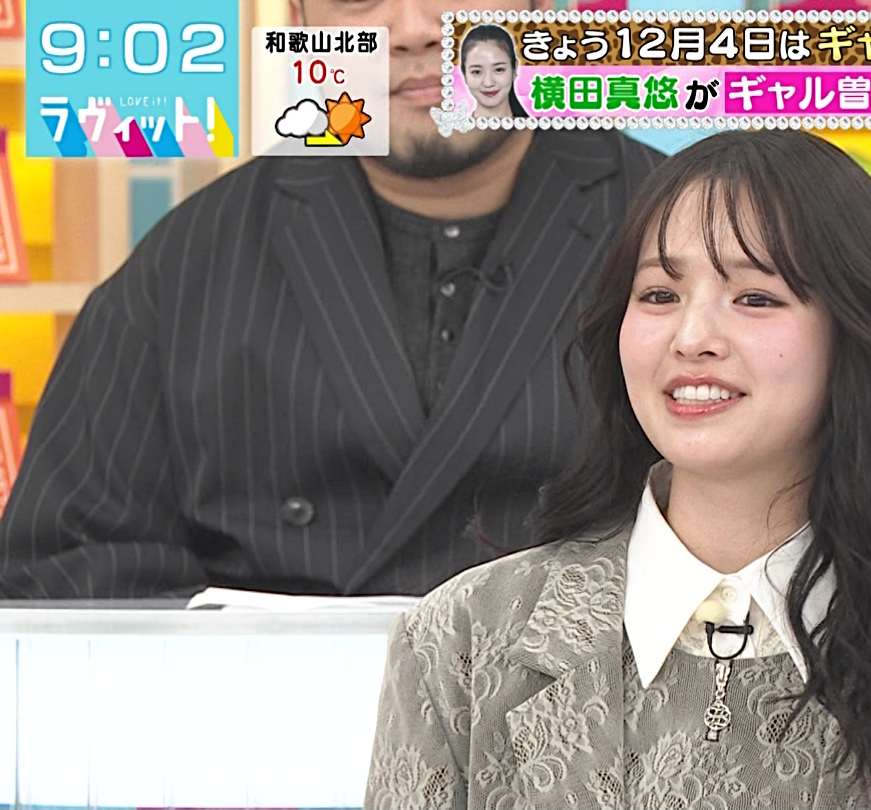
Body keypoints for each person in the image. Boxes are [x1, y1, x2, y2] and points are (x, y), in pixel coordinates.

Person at [364, 130, 871, 809]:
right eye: (658, 294)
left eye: (756, 297)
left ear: (861, 336)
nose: (692, 336)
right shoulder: (461, 641)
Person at [0, 0, 664, 598]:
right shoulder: (187, 261)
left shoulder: (680, 224)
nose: (413, 29)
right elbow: (64, 564)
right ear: (301, 25)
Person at [461, 25, 528, 119]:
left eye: (499, 70)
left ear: (514, 69)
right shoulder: (453, 128)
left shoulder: (538, 127)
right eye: (476, 72)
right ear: (464, 73)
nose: (488, 83)